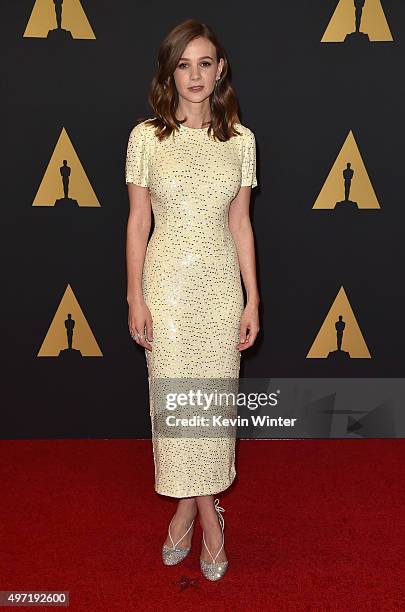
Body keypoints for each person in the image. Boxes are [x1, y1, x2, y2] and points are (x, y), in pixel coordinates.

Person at [125, 18, 260, 581]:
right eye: (184, 64)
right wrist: (134, 295)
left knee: (211, 410)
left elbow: (242, 226)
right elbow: (137, 223)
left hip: (219, 292)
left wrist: (253, 300)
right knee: (177, 410)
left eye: (205, 63)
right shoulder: (145, 138)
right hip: (168, 294)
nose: (195, 75)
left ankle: (187, 507)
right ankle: (210, 517)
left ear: (220, 69)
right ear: (170, 72)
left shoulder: (241, 141)